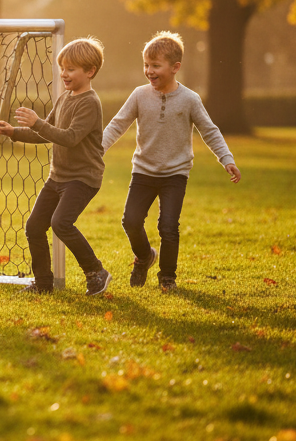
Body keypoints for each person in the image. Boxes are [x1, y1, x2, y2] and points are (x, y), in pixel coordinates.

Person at [103, 30, 241, 293]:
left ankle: (167, 277)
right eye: (146, 65)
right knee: (130, 221)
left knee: (168, 226)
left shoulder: (189, 99)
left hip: (175, 175)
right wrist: (98, 149)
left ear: (175, 67)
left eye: (155, 66)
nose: (149, 71)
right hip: (143, 171)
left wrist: (226, 159)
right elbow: (117, 125)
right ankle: (144, 256)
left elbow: (209, 131)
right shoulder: (139, 95)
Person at [0, 36, 111, 296]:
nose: (64, 74)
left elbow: (69, 138)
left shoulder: (90, 103)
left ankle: (96, 272)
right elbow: (45, 133)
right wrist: (14, 132)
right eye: (62, 68)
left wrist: (37, 123)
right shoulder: (64, 98)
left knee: (61, 223)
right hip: (57, 177)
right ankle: (43, 283)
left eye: (71, 69)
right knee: (34, 227)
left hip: (83, 178)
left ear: (90, 71)